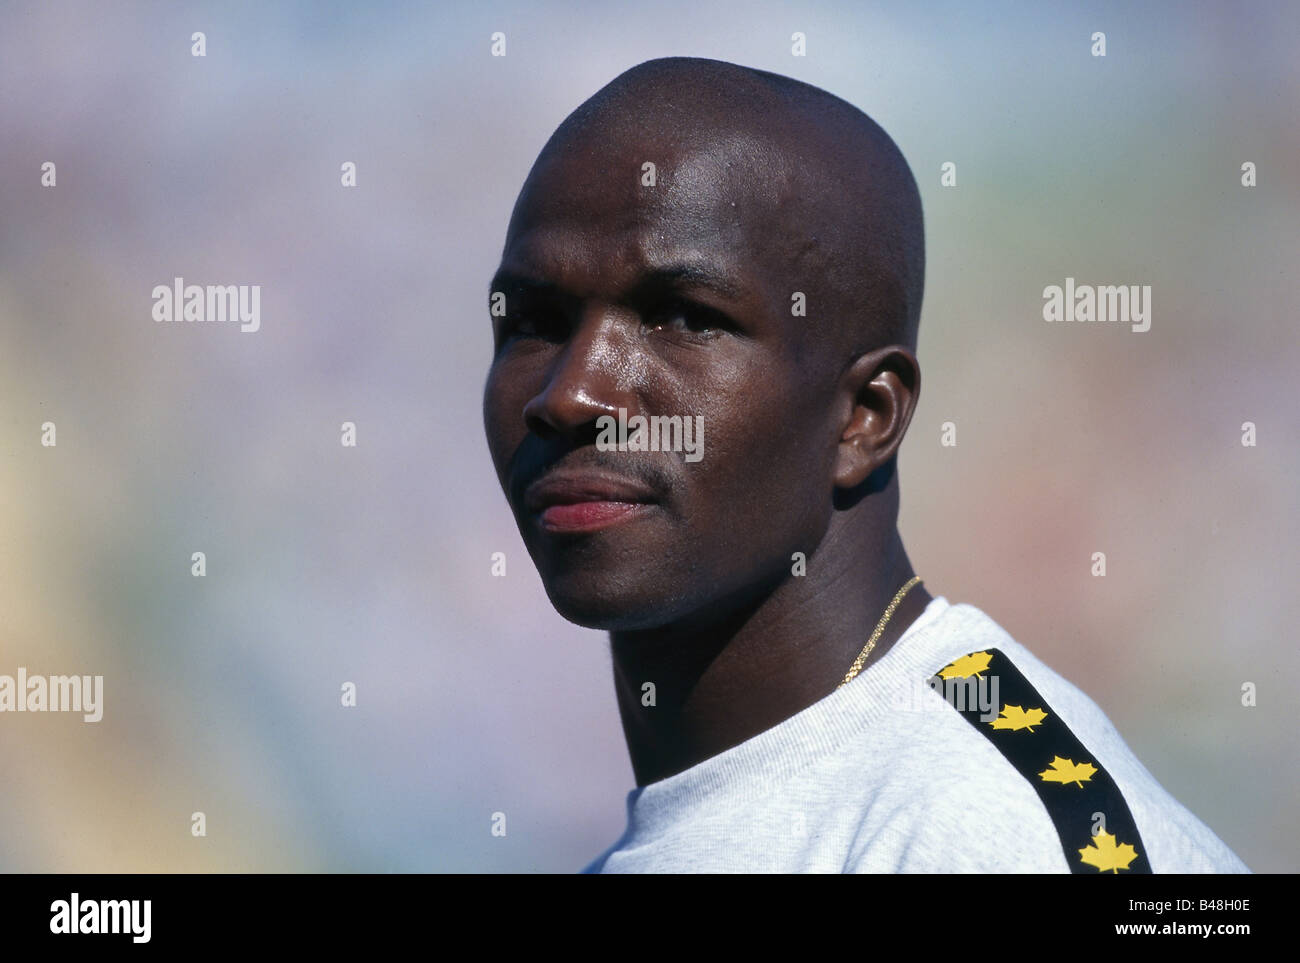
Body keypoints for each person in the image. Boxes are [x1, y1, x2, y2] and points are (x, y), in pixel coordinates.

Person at [481, 56, 1248, 873]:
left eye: (682, 317)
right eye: (534, 320)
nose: (572, 396)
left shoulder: (999, 833)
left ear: (865, 418)